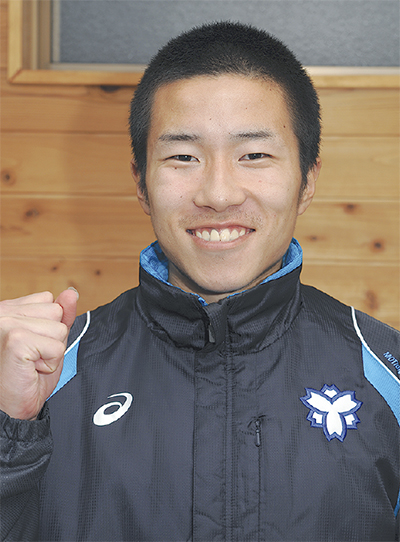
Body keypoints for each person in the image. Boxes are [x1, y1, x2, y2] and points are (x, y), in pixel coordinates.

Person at [1, 21, 399, 542]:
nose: (218, 194)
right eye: (183, 157)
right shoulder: (44, 376)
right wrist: (8, 427)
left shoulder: (388, 375)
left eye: (253, 155)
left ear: (308, 180)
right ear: (141, 183)